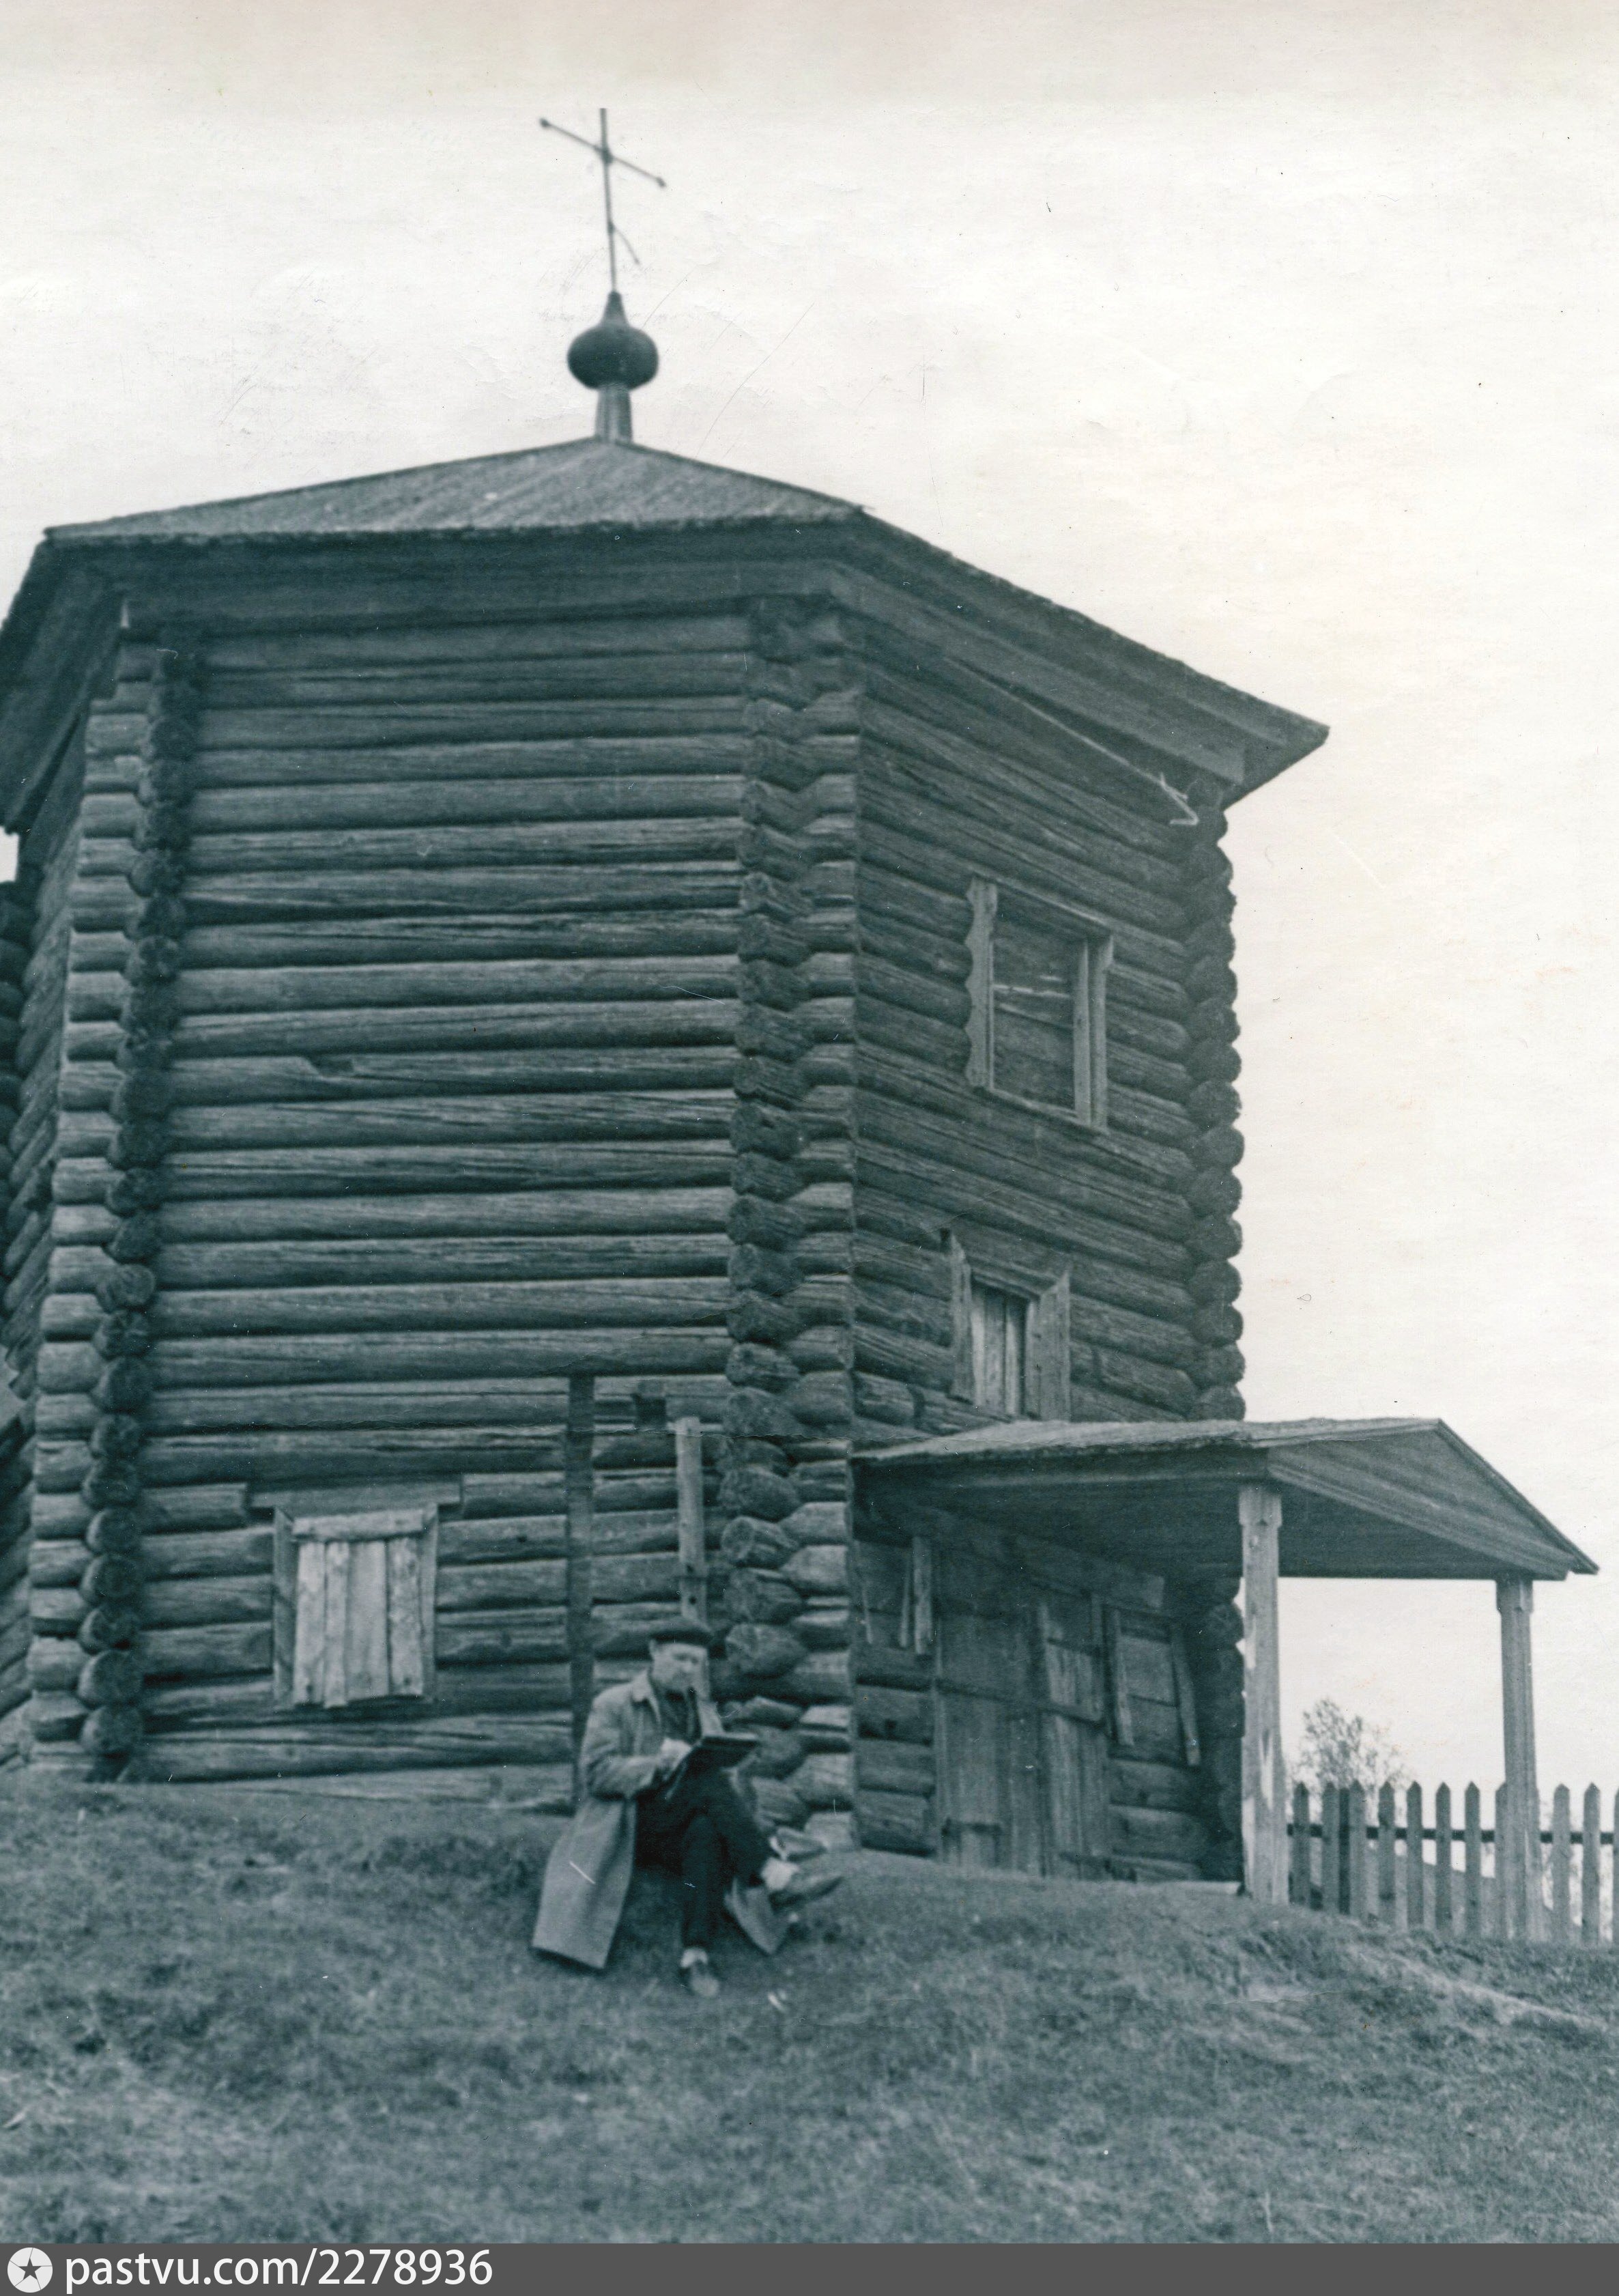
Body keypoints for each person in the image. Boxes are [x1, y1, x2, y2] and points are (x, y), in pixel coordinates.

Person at [532, 1619, 842, 1997]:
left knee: (706, 1830)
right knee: (705, 1780)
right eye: (680, 1658)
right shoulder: (615, 1703)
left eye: (696, 1662)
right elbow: (596, 1773)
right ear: (654, 1652)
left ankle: (695, 1955)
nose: (688, 1669)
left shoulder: (703, 1709)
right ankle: (771, 1873)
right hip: (630, 1824)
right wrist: (656, 1764)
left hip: (683, 1822)